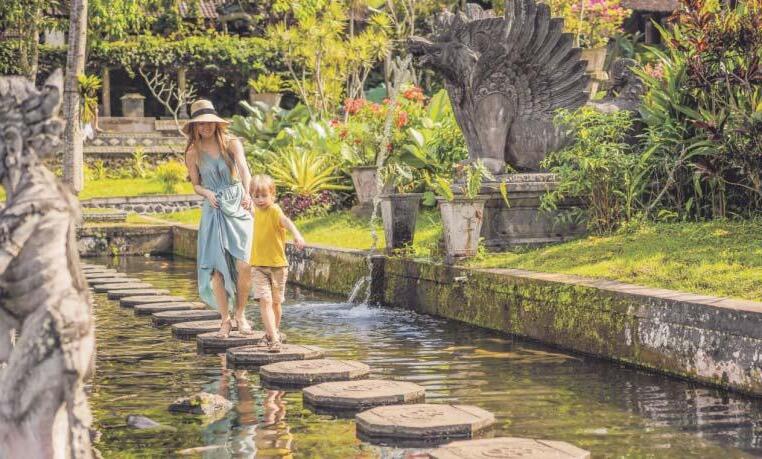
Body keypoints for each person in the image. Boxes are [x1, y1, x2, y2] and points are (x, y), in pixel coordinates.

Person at [184, 99, 254, 337]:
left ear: (216, 123)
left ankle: (241, 315)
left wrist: (248, 194)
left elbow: (244, 170)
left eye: (209, 122)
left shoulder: (231, 143)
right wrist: (207, 193)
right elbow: (196, 185)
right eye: (201, 123)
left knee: (244, 264)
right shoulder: (193, 152)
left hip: (238, 203)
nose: (206, 127)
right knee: (217, 269)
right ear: (194, 126)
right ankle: (225, 320)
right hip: (213, 209)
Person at [249, 174, 305, 352]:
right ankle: (274, 339)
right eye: (256, 196)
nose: (260, 200)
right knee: (264, 301)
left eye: (264, 196)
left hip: (278, 267)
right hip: (258, 265)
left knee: (276, 303)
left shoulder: (274, 210)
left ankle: (272, 333)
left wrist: (296, 234)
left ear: (273, 195)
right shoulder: (254, 210)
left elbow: (286, 222)